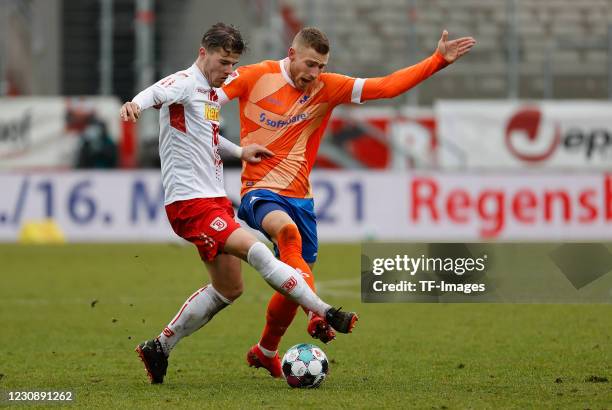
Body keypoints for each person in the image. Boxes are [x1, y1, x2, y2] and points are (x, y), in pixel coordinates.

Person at [218, 27, 475, 377]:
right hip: (259, 189)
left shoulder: (328, 86)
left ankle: (265, 350)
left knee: (293, 276)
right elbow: (207, 100)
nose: (314, 74)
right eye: (310, 64)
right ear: (291, 54)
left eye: (321, 66)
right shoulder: (254, 76)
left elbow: (386, 87)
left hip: (302, 199)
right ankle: (316, 312)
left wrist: (436, 61)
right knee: (287, 235)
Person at [120, 22, 358, 384]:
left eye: (233, 64)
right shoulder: (185, 82)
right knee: (261, 251)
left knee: (230, 289)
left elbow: (207, 138)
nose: (229, 72)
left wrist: (240, 151)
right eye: (223, 62)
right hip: (190, 202)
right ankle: (324, 311)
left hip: (213, 199)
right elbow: (154, 93)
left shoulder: (210, 95)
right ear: (204, 53)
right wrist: (134, 106)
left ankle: (159, 347)